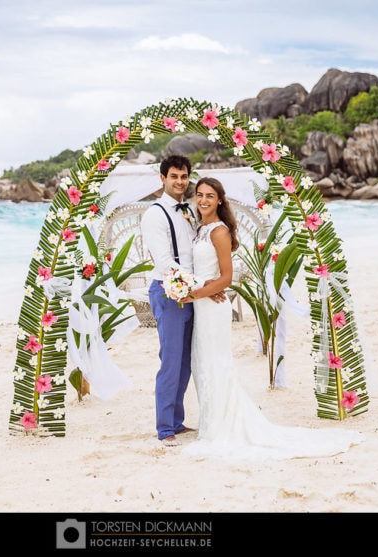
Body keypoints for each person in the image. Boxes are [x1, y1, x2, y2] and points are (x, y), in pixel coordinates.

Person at [178, 176, 363, 460]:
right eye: (200, 195)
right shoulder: (200, 228)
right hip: (203, 304)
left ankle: (221, 427)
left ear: (219, 201)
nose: (203, 200)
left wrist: (194, 295)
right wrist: (192, 288)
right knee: (203, 362)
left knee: (216, 363)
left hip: (212, 307)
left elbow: (226, 278)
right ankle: (210, 423)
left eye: (209, 196)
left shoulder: (219, 232)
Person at [140, 155, 224, 447]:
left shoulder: (188, 210)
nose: (180, 182)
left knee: (186, 361)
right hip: (169, 291)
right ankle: (165, 428)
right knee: (171, 360)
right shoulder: (154, 214)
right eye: (174, 176)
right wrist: (205, 287)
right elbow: (166, 263)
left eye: (184, 176)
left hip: (191, 293)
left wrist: (207, 286)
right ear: (162, 178)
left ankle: (177, 420)